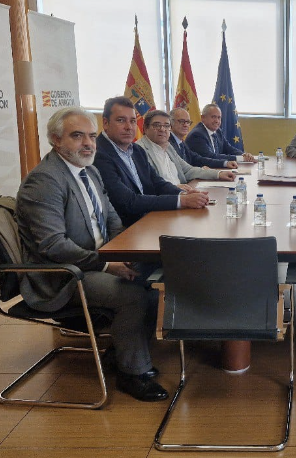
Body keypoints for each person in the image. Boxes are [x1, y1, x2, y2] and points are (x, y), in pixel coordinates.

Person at [15, 106, 167, 402]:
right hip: (62, 276)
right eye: (77, 136)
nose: (88, 143)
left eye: (92, 136)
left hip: (96, 261)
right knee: (133, 294)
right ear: (56, 140)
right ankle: (132, 373)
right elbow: (54, 246)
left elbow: (111, 219)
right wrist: (109, 264)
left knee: (152, 277)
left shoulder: (90, 170)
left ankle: (120, 353)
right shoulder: (45, 181)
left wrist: (124, 251)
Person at [94, 96, 209, 226]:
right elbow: (128, 202)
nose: (129, 127)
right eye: (121, 120)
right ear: (105, 123)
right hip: (127, 228)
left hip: (150, 218)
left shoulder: (136, 150)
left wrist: (184, 193)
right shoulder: (99, 154)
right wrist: (182, 201)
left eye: (132, 121)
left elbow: (157, 183)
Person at [137, 109, 236, 186]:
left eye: (166, 125)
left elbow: (188, 170)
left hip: (182, 193)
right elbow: (151, 185)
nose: (162, 129)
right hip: (167, 200)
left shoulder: (168, 146)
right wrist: (176, 189)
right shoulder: (139, 150)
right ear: (145, 128)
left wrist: (218, 174)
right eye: (157, 125)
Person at [168, 107, 238, 170]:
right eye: (181, 121)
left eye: (188, 122)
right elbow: (182, 169)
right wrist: (201, 171)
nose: (186, 125)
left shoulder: (181, 142)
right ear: (170, 123)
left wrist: (225, 163)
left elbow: (197, 159)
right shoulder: (168, 143)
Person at [185, 103, 256, 163]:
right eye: (213, 117)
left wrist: (244, 155)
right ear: (203, 118)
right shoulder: (197, 135)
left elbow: (229, 148)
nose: (217, 121)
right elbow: (211, 157)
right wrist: (240, 158)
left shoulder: (218, 131)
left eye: (219, 118)